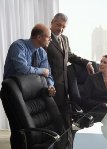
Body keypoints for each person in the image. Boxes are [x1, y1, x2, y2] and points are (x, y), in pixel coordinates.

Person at [46, 13, 94, 149]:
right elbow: (41, 63)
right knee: (55, 122)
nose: (60, 29)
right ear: (52, 23)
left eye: (63, 27)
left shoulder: (65, 39)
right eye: (58, 25)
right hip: (51, 87)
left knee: (65, 121)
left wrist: (86, 63)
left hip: (65, 86)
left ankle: (68, 145)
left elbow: (70, 55)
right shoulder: (46, 39)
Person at [3, 23, 56, 96]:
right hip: (14, 90)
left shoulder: (42, 52)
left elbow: (48, 73)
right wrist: (42, 70)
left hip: (32, 89)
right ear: (39, 37)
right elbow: (23, 69)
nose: (50, 40)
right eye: (49, 37)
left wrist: (50, 85)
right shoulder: (18, 46)